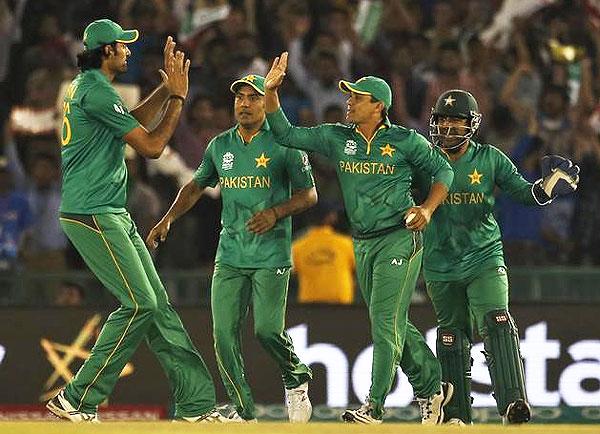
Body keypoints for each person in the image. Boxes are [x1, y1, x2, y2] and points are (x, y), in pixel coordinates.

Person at [46, 19, 226, 423]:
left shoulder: (91, 88)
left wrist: (163, 89)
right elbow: (151, 146)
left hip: (109, 210)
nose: (130, 51)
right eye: (124, 46)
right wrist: (178, 100)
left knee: (158, 305)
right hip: (92, 212)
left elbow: (129, 122)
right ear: (107, 51)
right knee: (140, 303)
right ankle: (77, 398)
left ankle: (196, 406)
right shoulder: (94, 90)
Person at [263, 53, 455, 425]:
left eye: (356, 97)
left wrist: (428, 209)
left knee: (384, 323)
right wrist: (272, 92)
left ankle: (374, 406)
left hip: (400, 236)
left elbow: (443, 170)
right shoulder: (337, 137)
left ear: (378, 106)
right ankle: (432, 386)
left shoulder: (405, 141)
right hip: (363, 242)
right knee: (392, 321)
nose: (348, 102)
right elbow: (284, 133)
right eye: (349, 96)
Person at [147, 74, 317, 423]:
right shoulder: (220, 146)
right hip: (230, 255)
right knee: (223, 337)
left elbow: (309, 194)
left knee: (267, 330)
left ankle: (296, 378)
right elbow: (194, 188)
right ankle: (244, 412)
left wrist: (275, 212)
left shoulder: (284, 144)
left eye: (253, 97)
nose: (244, 103)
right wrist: (167, 219)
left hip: (271, 254)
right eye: (239, 97)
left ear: (266, 102)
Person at [420, 89, 579, 425]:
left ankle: (513, 403)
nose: (448, 127)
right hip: (439, 262)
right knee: (451, 336)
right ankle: (455, 416)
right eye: (443, 119)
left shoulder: (489, 158)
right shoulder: (421, 160)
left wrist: (548, 186)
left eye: (457, 120)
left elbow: (524, 192)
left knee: (496, 320)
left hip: (484, 257)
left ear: (471, 124)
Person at [292, 204, 355, 304]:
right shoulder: (346, 244)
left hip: (308, 306)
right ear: (331, 217)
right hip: (341, 305)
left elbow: (286, 273)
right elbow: (361, 269)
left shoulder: (297, 247)